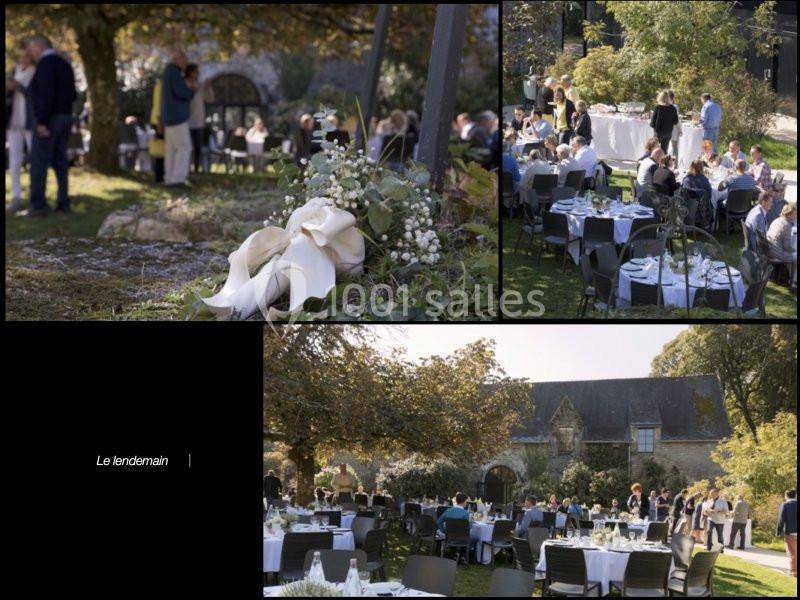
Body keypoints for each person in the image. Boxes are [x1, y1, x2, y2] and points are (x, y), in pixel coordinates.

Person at [25, 34, 76, 217]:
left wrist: (42, 121)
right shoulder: (64, 64)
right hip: (65, 116)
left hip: (50, 119)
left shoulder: (45, 65)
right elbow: (73, 94)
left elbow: (46, 95)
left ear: (38, 47)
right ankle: (63, 202)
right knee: (60, 161)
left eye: (30, 49)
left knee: (39, 162)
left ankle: (38, 205)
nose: (29, 53)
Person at [6, 40, 36, 213]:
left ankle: (35, 196)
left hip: (29, 122)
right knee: (14, 161)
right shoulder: (15, 70)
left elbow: (35, 95)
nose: (23, 60)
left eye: (26, 57)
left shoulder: (36, 72)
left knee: (34, 160)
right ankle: (16, 197)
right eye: (21, 57)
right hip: (13, 122)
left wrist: (20, 87)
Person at [161, 49, 195, 187]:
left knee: (171, 150)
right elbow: (181, 92)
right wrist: (191, 91)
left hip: (170, 117)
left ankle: (169, 177)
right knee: (184, 147)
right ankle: (178, 178)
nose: (186, 64)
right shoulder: (174, 73)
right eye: (184, 60)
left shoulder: (168, 73)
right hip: (177, 117)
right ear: (177, 60)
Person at [185, 63, 209, 173]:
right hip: (187, 121)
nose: (198, 74)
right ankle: (187, 168)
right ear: (190, 73)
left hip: (199, 121)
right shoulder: (184, 85)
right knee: (187, 146)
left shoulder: (200, 87)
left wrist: (208, 88)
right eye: (196, 72)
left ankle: (196, 169)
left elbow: (209, 99)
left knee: (198, 147)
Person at [436, 492, 473, 563]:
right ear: (465, 501)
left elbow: (438, 522)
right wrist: (471, 524)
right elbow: (467, 528)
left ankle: (457, 553)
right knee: (475, 538)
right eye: (466, 501)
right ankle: (462, 555)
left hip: (449, 536)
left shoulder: (448, 510)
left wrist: (444, 531)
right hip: (462, 538)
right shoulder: (465, 513)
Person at [776, 489, 797, 578]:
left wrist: (778, 531)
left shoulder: (785, 505)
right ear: (795, 496)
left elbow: (781, 520)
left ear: (786, 496)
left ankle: (794, 572)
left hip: (790, 532)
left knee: (792, 553)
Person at [149, 76, 165, 183]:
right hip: (160, 120)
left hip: (158, 119)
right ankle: (159, 177)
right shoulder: (162, 86)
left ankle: (160, 175)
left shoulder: (159, 85)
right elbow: (159, 104)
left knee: (161, 148)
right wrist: (160, 122)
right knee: (161, 149)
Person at [667, 90, 682, 163]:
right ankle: (674, 164)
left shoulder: (663, 106)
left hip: (669, 130)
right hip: (673, 130)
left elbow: (676, 120)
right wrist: (680, 130)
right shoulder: (675, 107)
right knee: (674, 148)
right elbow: (677, 120)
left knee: (671, 147)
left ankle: (670, 164)